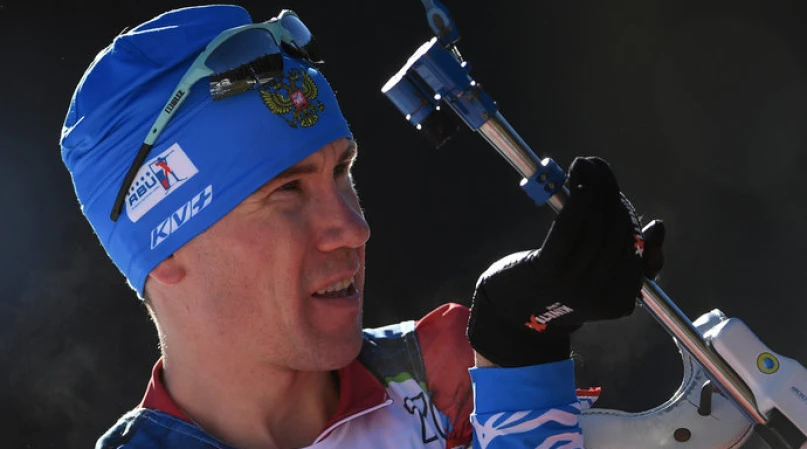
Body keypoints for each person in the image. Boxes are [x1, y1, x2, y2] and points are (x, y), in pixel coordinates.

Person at [60, 4, 664, 449]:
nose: (352, 228)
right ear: (167, 250)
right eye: (287, 190)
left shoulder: (457, 367)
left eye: (341, 171)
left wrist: (521, 352)